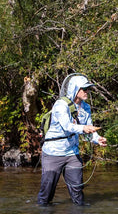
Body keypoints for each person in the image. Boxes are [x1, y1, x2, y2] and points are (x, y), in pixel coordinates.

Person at [37, 75, 107, 205]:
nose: (87, 92)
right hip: (53, 153)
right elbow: (67, 126)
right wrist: (84, 128)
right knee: (46, 193)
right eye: (84, 89)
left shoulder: (86, 108)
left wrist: (97, 139)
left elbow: (89, 130)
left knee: (78, 191)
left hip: (72, 154)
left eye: (88, 89)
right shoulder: (60, 105)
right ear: (75, 89)